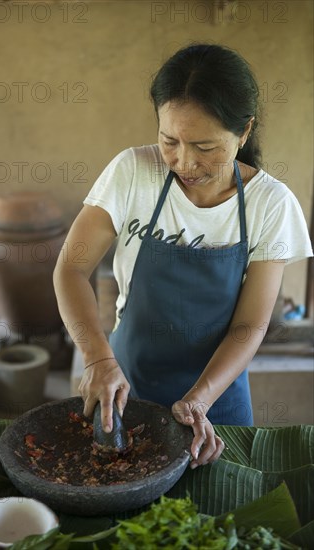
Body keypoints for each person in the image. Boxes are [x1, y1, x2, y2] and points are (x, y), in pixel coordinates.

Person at [53, 43, 313, 469]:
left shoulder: (271, 205)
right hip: (127, 385)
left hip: (218, 399)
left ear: (244, 132)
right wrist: (98, 359)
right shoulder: (132, 173)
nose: (184, 162)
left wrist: (201, 398)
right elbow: (71, 268)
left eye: (206, 147)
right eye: (169, 140)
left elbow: (250, 324)